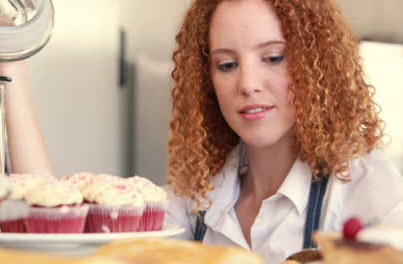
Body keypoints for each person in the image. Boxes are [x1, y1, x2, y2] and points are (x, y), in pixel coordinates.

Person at [164, 0, 403, 263]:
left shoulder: (363, 184)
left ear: (315, 64)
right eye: (227, 64)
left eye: (273, 58)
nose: (248, 84)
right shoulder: (192, 197)